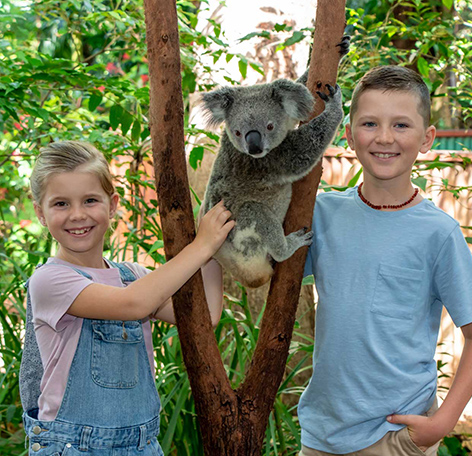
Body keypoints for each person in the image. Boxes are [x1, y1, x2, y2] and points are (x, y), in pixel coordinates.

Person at [298, 66, 472, 456]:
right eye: (370, 123)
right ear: (348, 134)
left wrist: (442, 423)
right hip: (321, 434)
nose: (384, 138)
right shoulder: (321, 213)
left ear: (427, 138)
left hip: (396, 436)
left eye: (401, 125)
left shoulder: (438, 233)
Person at [22, 141, 234, 456]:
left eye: (90, 200)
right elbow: (133, 305)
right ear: (40, 212)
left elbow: (208, 316)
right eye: (61, 204)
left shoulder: (131, 275)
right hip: (75, 447)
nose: (77, 215)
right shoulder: (50, 280)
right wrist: (201, 246)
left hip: (141, 445)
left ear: (112, 204)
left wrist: (215, 251)